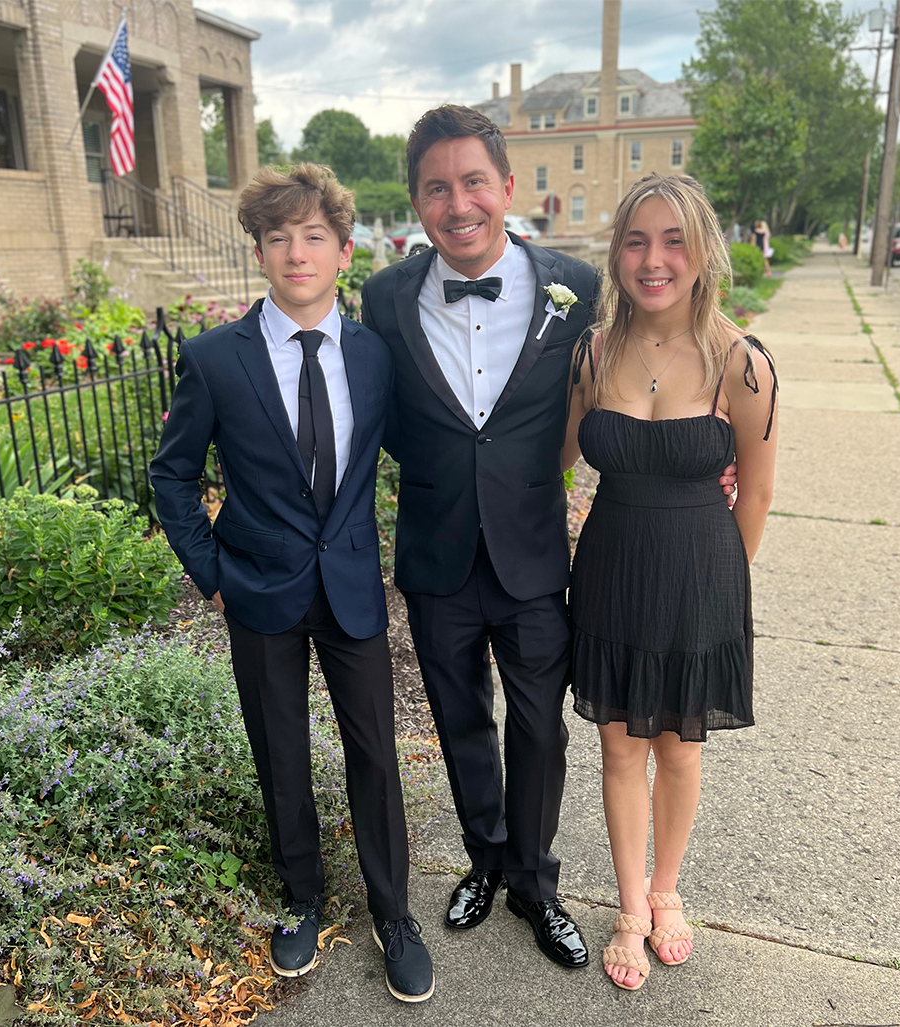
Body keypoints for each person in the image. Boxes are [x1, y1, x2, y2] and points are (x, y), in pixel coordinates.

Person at [149, 164, 435, 1004]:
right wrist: (210, 574)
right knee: (280, 750)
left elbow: (419, 452)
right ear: (260, 252)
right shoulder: (215, 359)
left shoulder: (375, 356)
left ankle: (393, 913)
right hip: (257, 589)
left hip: (350, 585)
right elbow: (172, 475)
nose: (297, 252)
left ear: (344, 251)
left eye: (314, 236)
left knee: (374, 751)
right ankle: (301, 896)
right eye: (279, 237)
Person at [360, 105, 602, 969]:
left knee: (540, 728)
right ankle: (485, 859)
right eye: (436, 188)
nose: (457, 204)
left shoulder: (577, 287)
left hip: (532, 552)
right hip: (437, 554)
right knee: (460, 718)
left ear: (504, 186)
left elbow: (618, 382)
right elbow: (387, 415)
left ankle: (535, 880)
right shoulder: (385, 297)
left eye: (472, 182)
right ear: (416, 202)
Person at [563, 173, 778, 992]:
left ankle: (666, 891)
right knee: (619, 745)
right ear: (617, 254)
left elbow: (756, 493)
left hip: (700, 576)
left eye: (673, 241)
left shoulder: (741, 362)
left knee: (680, 748)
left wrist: (721, 588)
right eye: (636, 241)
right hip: (612, 568)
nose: (654, 260)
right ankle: (628, 906)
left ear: (703, 252)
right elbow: (553, 457)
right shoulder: (592, 352)